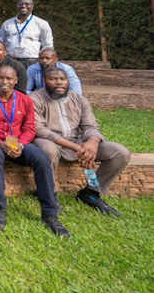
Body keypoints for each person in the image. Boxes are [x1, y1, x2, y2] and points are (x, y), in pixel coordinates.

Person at [0, 66, 69, 237]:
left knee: (41, 158)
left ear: (15, 81)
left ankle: (50, 213)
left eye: (9, 79)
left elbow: (30, 128)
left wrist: (22, 145)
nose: (5, 82)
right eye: (1, 78)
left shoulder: (25, 100)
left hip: (18, 142)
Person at [30, 67, 130, 216]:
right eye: (53, 79)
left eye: (62, 79)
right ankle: (50, 194)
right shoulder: (34, 99)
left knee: (120, 153)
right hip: (50, 142)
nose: (59, 83)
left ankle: (91, 193)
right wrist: (77, 147)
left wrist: (92, 143)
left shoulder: (79, 100)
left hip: (77, 142)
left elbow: (91, 126)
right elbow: (39, 129)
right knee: (47, 149)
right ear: (44, 81)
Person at [1, 0, 54, 68]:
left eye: (27, 4)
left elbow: (48, 45)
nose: (23, 6)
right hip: (10, 60)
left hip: (32, 62)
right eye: (20, 4)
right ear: (16, 6)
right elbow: (1, 43)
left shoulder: (41, 23)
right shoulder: (7, 23)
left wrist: (44, 60)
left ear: (32, 6)